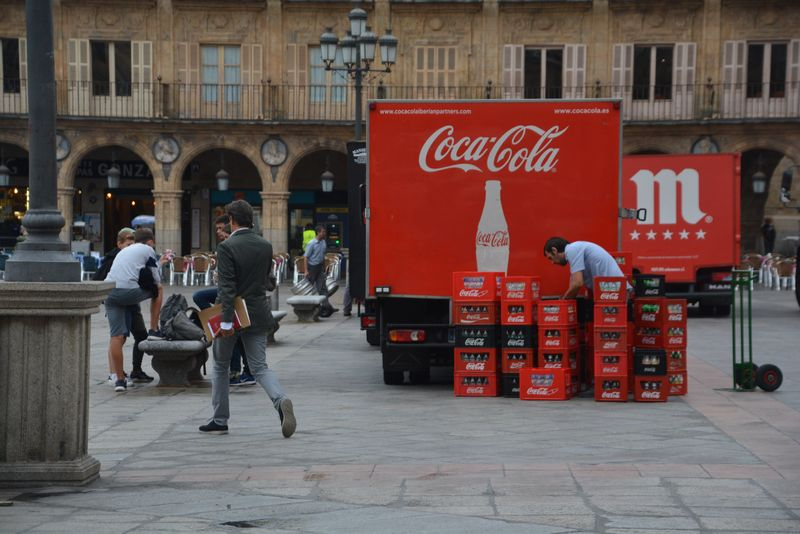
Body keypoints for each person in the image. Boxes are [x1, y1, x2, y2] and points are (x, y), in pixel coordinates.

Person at [200, 199, 296, 437]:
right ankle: (280, 399)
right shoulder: (264, 245)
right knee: (260, 366)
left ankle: (220, 419)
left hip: (232, 316)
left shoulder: (227, 247)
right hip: (257, 312)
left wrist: (224, 321)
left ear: (231, 220)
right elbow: (269, 281)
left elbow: (227, 288)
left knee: (221, 366)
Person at [193, 214, 255, 387]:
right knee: (234, 331)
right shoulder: (226, 246)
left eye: (222, 229)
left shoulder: (233, 246)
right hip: (229, 295)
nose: (219, 232)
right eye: (217, 229)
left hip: (235, 295)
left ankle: (239, 372)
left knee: (232, 331)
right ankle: (244, 371)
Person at [104, 228, 167, 392]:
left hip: (109, 292)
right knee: (159, 289)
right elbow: (156, 278)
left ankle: (119, 380)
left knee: (116, 336)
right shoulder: (148, 250)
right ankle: (154, 329)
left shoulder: (124, 251)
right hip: (127, 292)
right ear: (151, 241)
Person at [94, 227, 153, 383]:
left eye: (134, 242)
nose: (132, 246)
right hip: (120, 300)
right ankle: (114, 373)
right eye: (128, 243)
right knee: (119, 336)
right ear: (119, 243)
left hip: (132, 302)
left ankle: (136, 370)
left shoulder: (133, 255)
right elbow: (100, 278)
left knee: (140, 335)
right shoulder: (114, 258)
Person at [543, 237, 627, 299]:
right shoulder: (575, 251)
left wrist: (562, 301)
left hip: (617, 292)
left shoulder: (572, 249)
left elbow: (577, 284)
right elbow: (573, 285)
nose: (552, 262)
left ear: (554, 250)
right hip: (614, 291)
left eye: (550, 258)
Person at [304, 224, 336, 317]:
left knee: (322, 288)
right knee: (309, 288)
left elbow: (322, 256)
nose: (324, 233)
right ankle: (307, 307)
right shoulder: (311, 243)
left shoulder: (323, 242)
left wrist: (325, 267)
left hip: (320, 267)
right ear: (318, 232)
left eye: (324, 231)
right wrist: (306, 270)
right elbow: (305, 257)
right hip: (312, 267)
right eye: (323, 232)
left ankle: (327, 307)